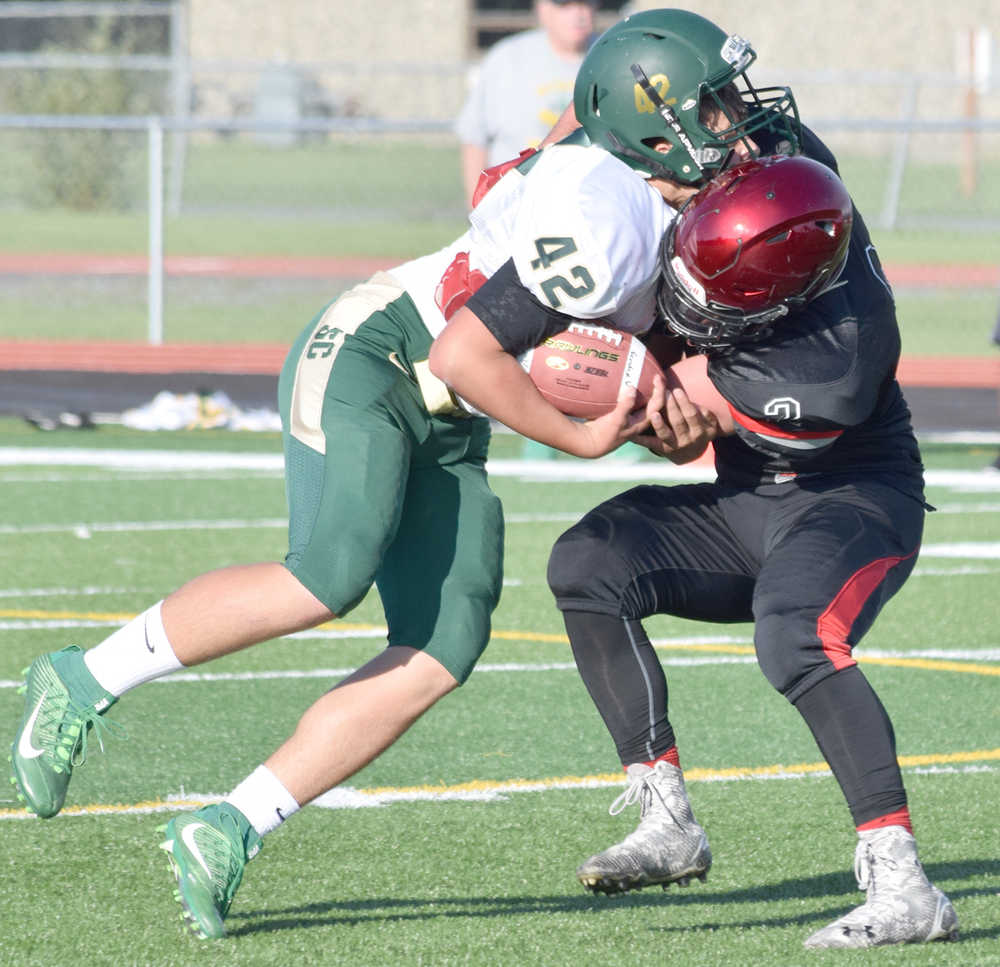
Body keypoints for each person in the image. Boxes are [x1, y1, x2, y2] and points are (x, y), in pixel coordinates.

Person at [8, 7, 794, 940]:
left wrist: (659, 402)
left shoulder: (635, 174)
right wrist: (592, 437)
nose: (731, 124)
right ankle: (82, 677)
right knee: (329, 571)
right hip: (382, 353)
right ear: (650, 126)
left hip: (453, 406)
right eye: (709, 110)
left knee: (445, 640)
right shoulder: (604, 226)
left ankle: (230, 824)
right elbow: (470, 356)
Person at [546, 11, 959, 950]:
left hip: (855, 491)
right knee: (587, 563)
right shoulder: (635, 182)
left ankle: (905, 884)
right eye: (716, 102)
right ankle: (666, 820)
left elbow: (846, 383)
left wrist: (698, 391)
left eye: (731, 96)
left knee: (795, 632)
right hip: (750, 496)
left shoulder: (786, 183)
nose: (741, 115)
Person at [454, 0, 598, 208]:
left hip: (588, 207)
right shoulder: (507, 59)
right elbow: (474, 138)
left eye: (584, 4)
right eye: (565, 5)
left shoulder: (611, 58)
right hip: (515, 206)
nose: (578, 14)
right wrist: (477, 208)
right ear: (543, 8)